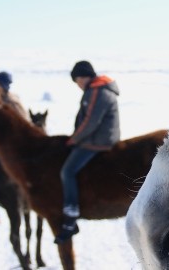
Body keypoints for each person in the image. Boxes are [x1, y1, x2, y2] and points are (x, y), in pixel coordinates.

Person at [55, 60, 121, 244]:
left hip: (97, 141)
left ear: (83, 77)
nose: (78, 85)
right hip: (102, 138)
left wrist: (74, 140)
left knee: (67, 171)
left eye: (77, 81)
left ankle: (71, 213)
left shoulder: (96, 91)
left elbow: (90, 122)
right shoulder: (100, 89)